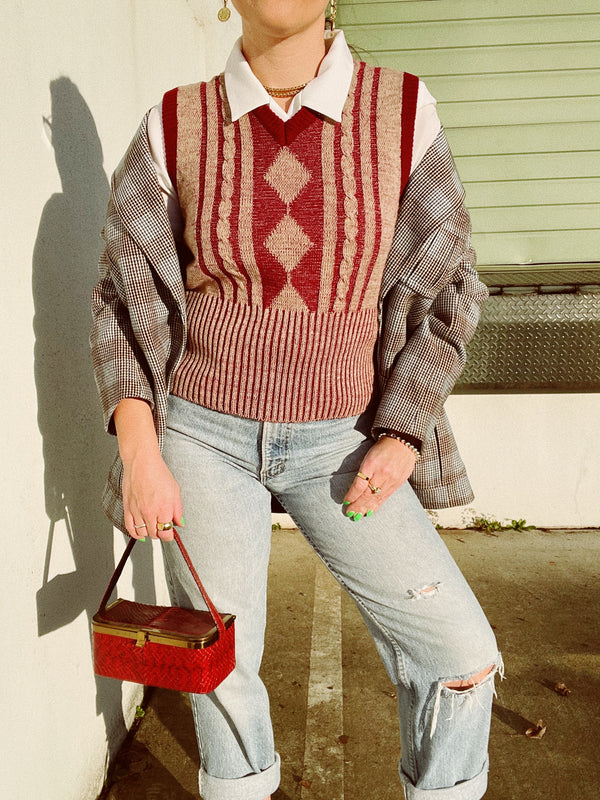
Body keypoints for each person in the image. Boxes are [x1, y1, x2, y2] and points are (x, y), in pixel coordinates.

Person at [91, 1, 502, 798]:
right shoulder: (175, 123)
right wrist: (140, 451)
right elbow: (121, 294)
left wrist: (403, 433)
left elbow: (452, 287)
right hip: (202, 439)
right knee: (222, 667)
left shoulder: (404, 110)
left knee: (459, 654)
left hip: (342, 443)